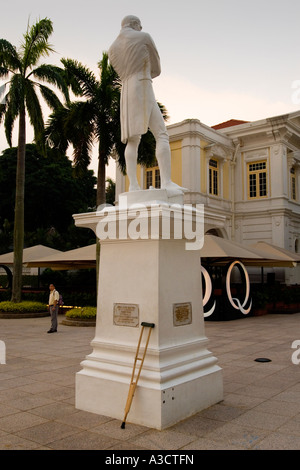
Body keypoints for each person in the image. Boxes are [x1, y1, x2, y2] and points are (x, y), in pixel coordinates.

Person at [108, 15, 187, 195]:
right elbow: (157, 68)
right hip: (142, 84)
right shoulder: (143, 37)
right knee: (161, 133)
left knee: (132, 139)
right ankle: (166, 182)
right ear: (135, 25)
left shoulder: (112, 48)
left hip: (126, 90)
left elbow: (119, 71)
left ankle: (133, 185)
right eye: (140, 26)